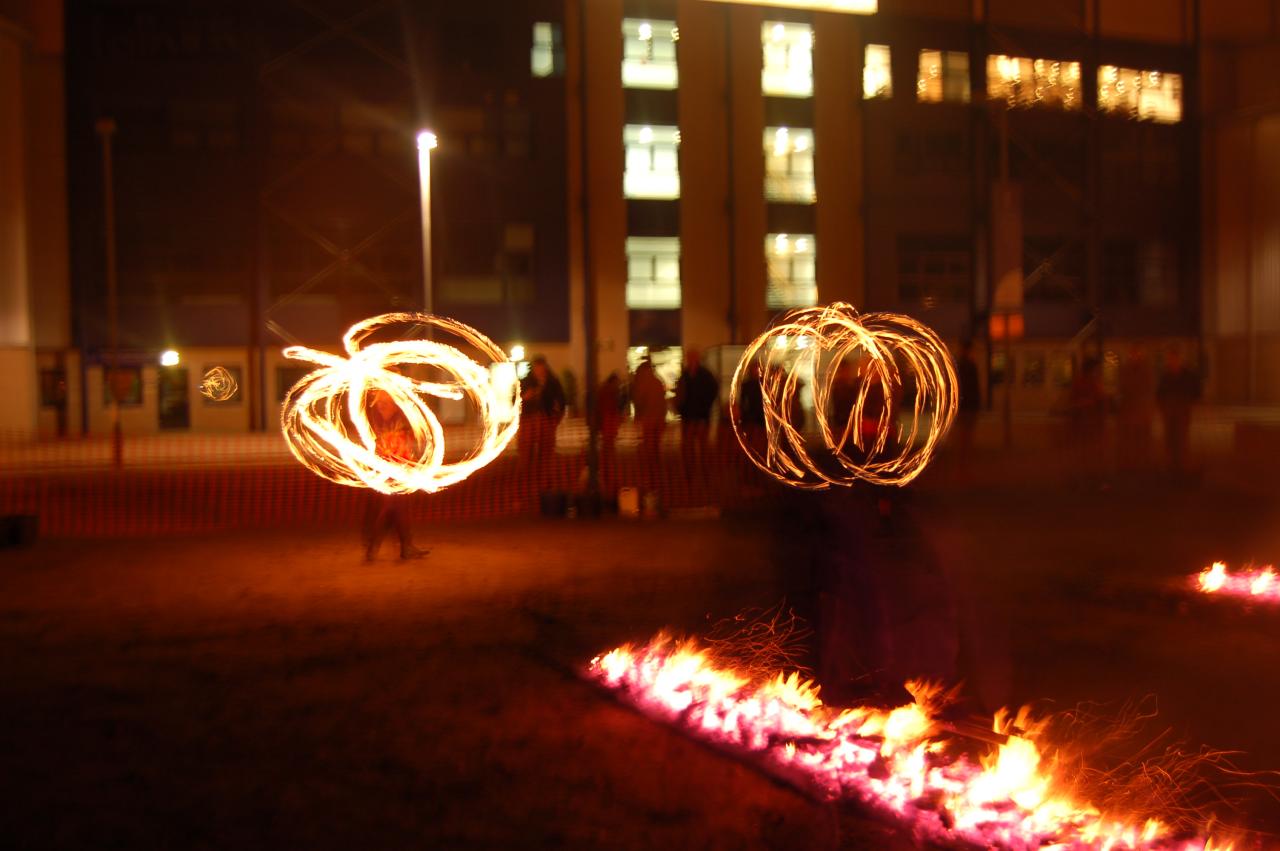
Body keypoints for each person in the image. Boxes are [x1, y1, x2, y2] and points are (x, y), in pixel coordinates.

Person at [362, 388, 428, 562]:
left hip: (395, 462)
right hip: (393, 463)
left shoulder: (382, 405)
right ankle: (375, 547)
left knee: (400, 506)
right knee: (393, 506)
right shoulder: (386, 403)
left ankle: (405, 546)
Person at [673, 349, 720, 486]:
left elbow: (713, 391)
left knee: (703, 449)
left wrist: (705, 406)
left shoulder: (705, 375)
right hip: (688, 418)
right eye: (689, 357)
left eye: (692, 357)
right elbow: (679, 393)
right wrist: (680, 409)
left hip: (701, 418)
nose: (690, 359)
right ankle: (689, 475)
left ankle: (705, 475)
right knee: (688, 449)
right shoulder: (685, 375)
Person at [519, 356, 566, 491]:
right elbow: (514, 400)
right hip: (528, 419)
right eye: (537, 368)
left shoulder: (553, 382)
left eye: (541, 368)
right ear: (533, 368)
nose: (539, 370)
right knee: (526, 451)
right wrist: (524, 397)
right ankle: (526, 482)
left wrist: (556, 418)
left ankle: (544, 482)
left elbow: (562, 400)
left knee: (545, 452)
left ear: (545, 367)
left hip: (545, 419)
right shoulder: (525, 382)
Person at [1156, 346, 1199, 476]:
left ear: (1180, 359)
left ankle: (1182, 465)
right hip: (1169, 412)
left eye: (1175, 359)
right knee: (1169, 438)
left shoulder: (1187, 374)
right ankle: (1170, 465)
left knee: (1181, 439)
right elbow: (1159, 393)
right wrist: (1163, 407)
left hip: (1182, 411)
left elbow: (1195, 392)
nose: (1173, 361)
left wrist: (1187, 404)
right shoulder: (1165, 375)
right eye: (1171, 359)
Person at [630, 359, 667, 491]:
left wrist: (637, 416)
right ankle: (658, 475)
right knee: (656, 448)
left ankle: (651, 478)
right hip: (659, 420)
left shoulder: (642, 383)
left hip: (648, 420)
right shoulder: (658, 381)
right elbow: (664, 403)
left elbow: (639, 401)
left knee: (649, 449)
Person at [1117, 345, 1156, 472]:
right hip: (1134, 410)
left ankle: (1141, 462)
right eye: (1133, 354)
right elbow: (1123, 386)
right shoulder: (1131, 369)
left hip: (1139, 410)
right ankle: (1133, 463)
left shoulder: (1143, 369)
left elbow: (1147, 387)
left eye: (1136, 354)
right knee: (1132, 439)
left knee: (1141, 438)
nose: (1134, 356)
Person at [594, 372, 625, 492]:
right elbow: (611, 408)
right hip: (608, 420)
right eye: (617, 382)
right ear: (613, 381)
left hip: (606, 421)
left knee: (607, 446)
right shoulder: (610, 391)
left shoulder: (605, 389)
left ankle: (606, 472)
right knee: (608, 447)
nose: (619, 385)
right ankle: (608, 475)